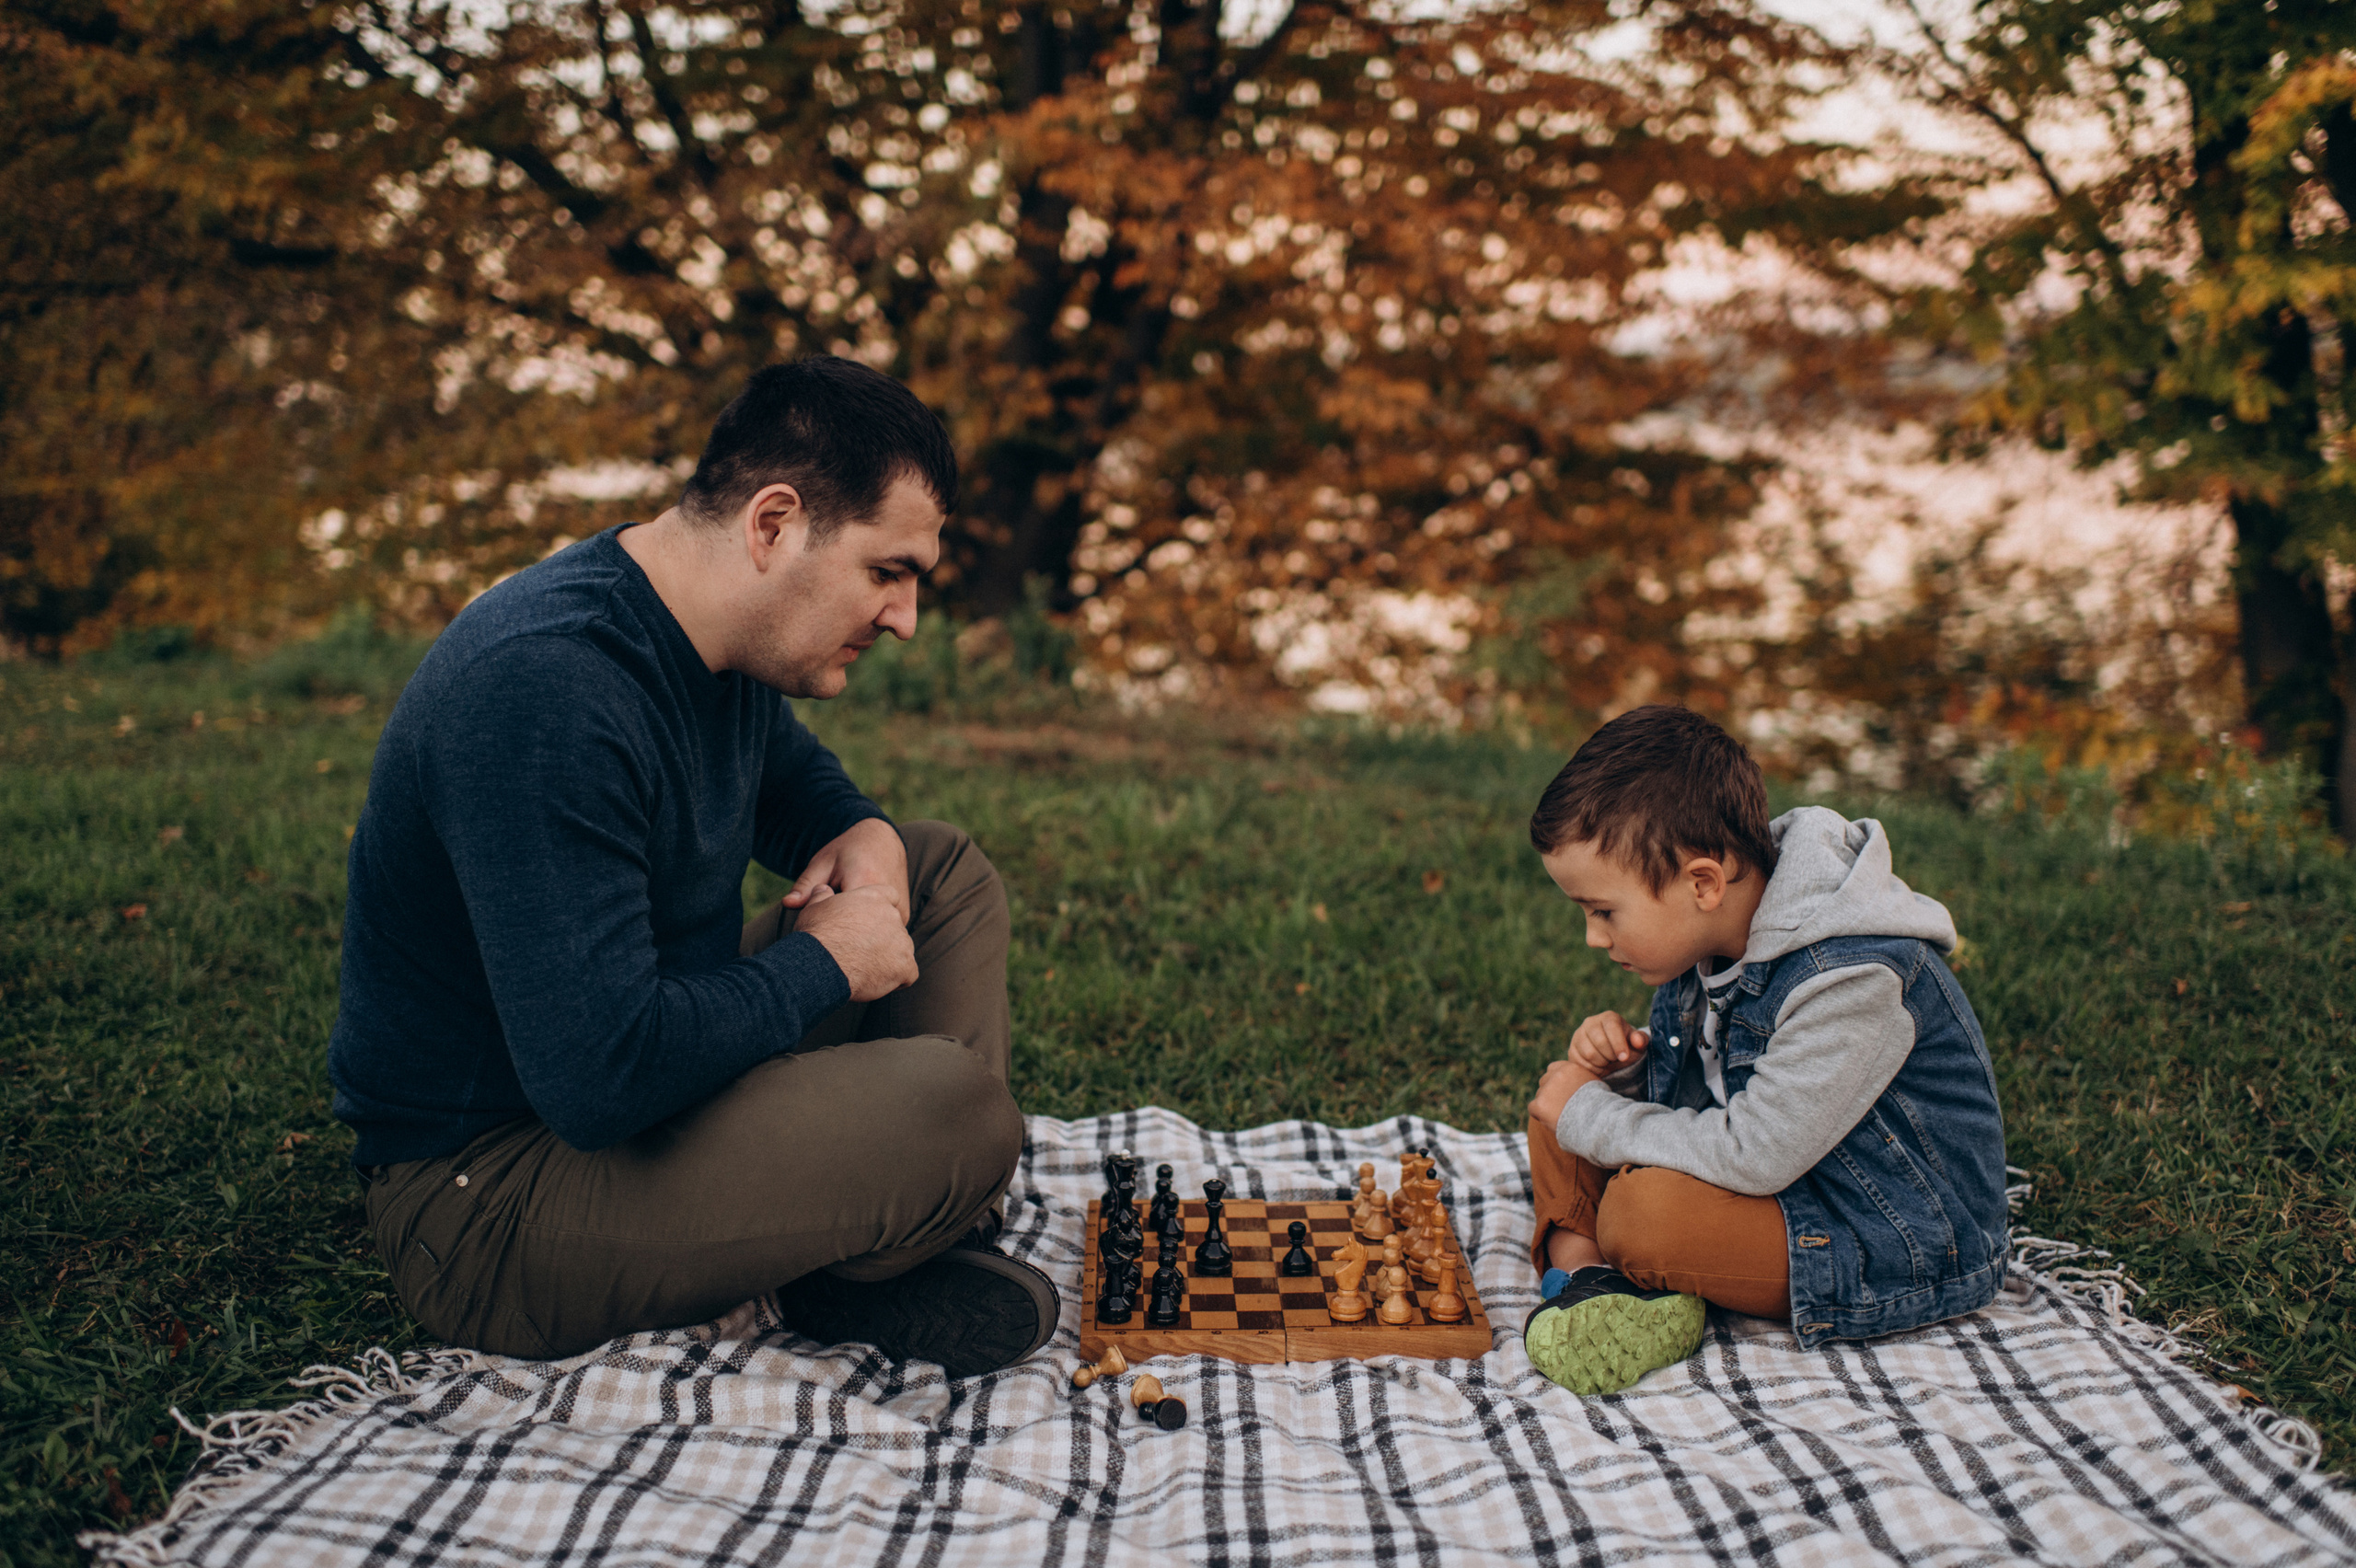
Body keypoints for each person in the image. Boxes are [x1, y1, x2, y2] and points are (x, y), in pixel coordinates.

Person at [327, 357, 1057, 1377]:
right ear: (773, 525)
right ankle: (893, 1214)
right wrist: (827, 965)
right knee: (960, 1109)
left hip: (646, 1076)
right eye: (886, 571)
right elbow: (599, 1078)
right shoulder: (544, 692)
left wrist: (863, 830)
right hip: (494, 1194)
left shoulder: (708, 634)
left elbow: (794, 789)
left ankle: (886, 1231)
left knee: (937, 871)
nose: (905, 619)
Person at [1519, 705, 2007, 1395]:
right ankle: (1589, 1279)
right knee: (1561, 1098)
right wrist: (1624, 1078)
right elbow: (1706, 1099)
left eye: (1604, 912)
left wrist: (1598, 1118)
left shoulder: (1853, 978)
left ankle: (1620, 1263)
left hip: (1877, 1237)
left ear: (1703, 883)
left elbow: (1756, 1152)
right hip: (1774, 1186)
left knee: (1640, 1212)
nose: (1595, 938)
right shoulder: (1709, 941)